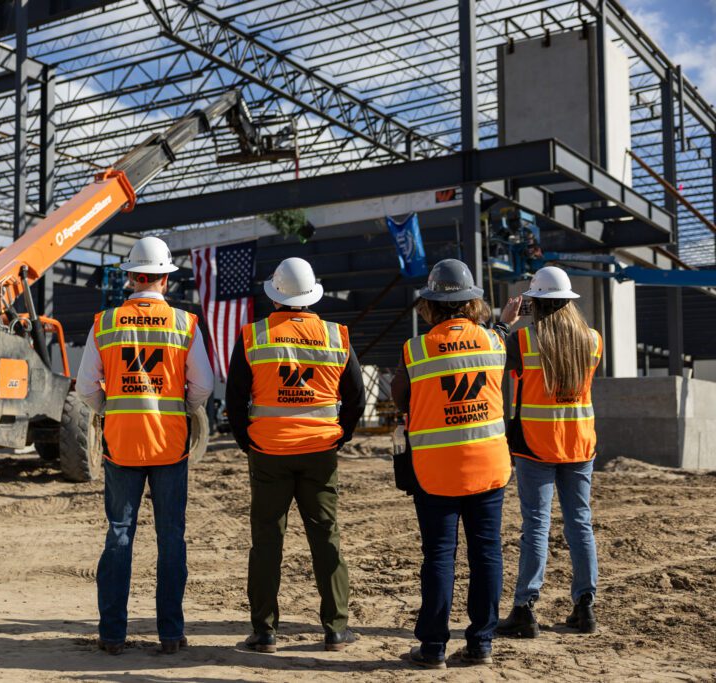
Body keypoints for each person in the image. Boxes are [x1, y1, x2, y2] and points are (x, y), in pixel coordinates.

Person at [75, 236, 214, 655]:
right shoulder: (184, 324)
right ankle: (170, 633)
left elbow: (85, 388)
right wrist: (183, 409)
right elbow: (203, 385)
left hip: (121, 445)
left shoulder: (106, 322)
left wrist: (109, 408)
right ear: (164, 280)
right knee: (171, 537)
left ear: (131, 277)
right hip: (170, 446)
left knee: (119, 535)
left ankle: (112, 635)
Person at [226, 257, 365, 654]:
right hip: (320, 451)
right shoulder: (336, 335)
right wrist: (340, 436)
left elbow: (236, 399)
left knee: (267, 540)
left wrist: (246, 439)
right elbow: (356, 396)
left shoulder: (253, 336)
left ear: (275, 297)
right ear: (311, 297)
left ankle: (265, 631)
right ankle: (336, 628)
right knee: (326, 536)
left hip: (268, 451)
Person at [391, 258, 511, 669]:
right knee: (487, 554)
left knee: (439, 557)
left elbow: (401, 398)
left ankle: (433, 649)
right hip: (489, 467)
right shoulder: (495, 343)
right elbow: (499, 345)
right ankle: (481, 643)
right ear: (471, 301)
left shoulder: (415, 349)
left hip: (436, 472)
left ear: (430, 304)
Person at [495, 266, 603, 638]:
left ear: (534, 303)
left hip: (535, 446)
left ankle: (525, 609)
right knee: (580, 525)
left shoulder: (523, 341)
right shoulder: (592, 340)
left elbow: (489, 363)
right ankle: (585, 607)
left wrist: (504, 322)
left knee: (536, 527)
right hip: (579, 444)